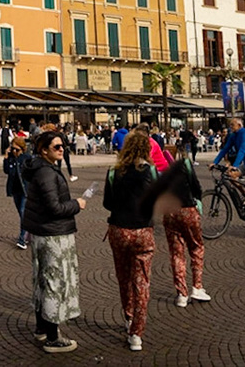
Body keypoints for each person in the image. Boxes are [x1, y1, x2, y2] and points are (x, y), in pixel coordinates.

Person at [22, 130, 84, 353]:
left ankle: (42, 327)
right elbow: (54, 207)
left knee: (44, 280)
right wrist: (76, 204)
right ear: (44, 150)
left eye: (63, 146)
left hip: (43, 232)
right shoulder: (46, 173)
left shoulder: (41, 169)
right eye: (56, 147)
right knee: (54, 282)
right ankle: (52, 337)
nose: (61, 150)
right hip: (53, 235)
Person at [104, 131, 157, 353]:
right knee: (142, 282)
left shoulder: (113, 172)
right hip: (142, 229)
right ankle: (137, 333)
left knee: (124, 278)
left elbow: (107, 203)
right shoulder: (150, 171)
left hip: (119, 228)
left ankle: (128, 317)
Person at [147, 139, 211, 308]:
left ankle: (181, 294)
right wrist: (197, 199)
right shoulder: (185, 165)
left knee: (176, 253)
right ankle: (197, 286)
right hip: (187, 209)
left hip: (169, 212)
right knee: (196, 247)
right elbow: (196, 187)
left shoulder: (157, 170)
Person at [211, 118, 245, 230]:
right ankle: (243, 192)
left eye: (232, 125)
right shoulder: (233, 135)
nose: (230, 127)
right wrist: (214, 162)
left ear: (239, 125)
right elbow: (225, 149)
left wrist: (234, 166)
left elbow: (242, 151)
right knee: (230, 176)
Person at [3, 137, 30, 249]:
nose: (14, 151)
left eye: (17, 149)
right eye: (13, 149)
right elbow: (6, 171)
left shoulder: (26, 158)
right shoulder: (11, 158)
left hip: (25, 190)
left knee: (23, 213)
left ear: (22, 149)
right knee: (21, 213)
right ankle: (29, 233)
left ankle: (22, 239)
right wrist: (6, 156)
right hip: (15, 189)